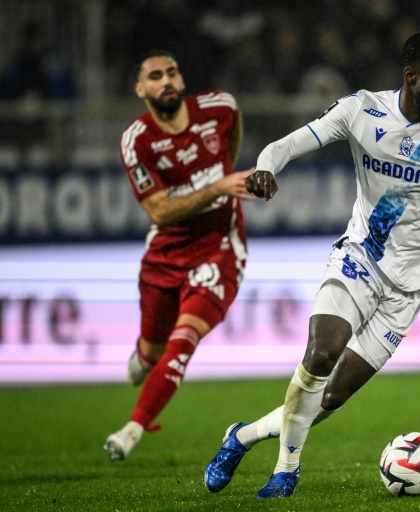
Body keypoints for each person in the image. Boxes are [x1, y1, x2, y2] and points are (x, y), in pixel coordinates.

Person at [204, 30, 420, 499]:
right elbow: (285, 145)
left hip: (410, 287)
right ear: (412, 76)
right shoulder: (362, 110)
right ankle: (286, 470)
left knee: (331, 396)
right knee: (322, 351)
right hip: (360, 256)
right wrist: (265, 167)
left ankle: (241, 436)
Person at [103, 50, 253, 461]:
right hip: (166, 255)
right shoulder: (138, 140)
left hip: (220, 250)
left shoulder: (219, 108)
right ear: (140, 89)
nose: (166, 80)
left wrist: (224, 179)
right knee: (152, 352)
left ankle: (132, 429)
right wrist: (218, 186)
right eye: (155, 76)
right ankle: (142, 355)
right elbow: (158, 210)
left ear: (182, 80)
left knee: (183, 341)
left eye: (171, 73)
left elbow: (232, 134)